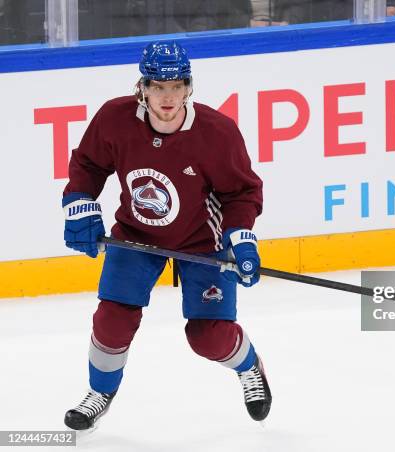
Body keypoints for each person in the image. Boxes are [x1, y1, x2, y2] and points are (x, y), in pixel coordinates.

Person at [61, 40, 271, 431]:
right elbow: (88, 163)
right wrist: (79, 202)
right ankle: (100, 393)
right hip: (137, 236)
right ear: (142, 87)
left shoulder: (217, 133)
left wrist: (240, 236)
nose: (168, 96)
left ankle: (249, 365)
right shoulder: (115, 119)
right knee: (112, 318)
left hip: (202, 242)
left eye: (177, 86)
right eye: (159, 86)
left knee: (208, 336)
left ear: (190, 87)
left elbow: (241, 191)